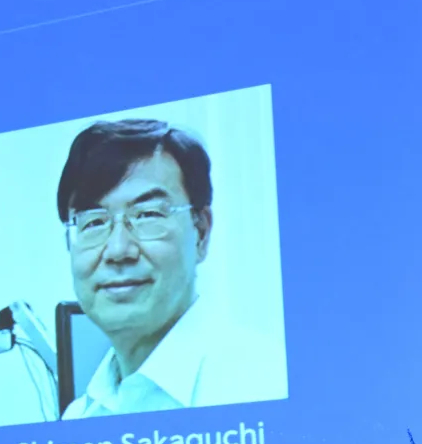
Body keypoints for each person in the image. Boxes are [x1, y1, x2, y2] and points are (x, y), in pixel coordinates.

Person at [54, 118, 274, 418]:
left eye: (148, 215)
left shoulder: (264, 384)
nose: (118, 250)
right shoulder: (79, 417)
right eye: (93, 222)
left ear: (201, 233)